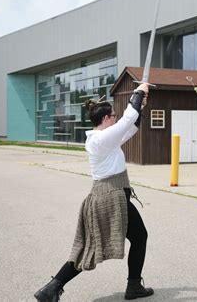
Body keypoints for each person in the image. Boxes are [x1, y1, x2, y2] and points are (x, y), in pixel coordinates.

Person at [34, 83, 154, 301]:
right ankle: (52, 288)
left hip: (113, 196)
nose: (116, 119)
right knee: (91, 247)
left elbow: (132, 126)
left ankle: (133, 285)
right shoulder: (100, 139)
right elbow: (127, 120)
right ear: (106, 118)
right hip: (110, 197)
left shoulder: (107, 138)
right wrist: (138, 92)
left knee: (139, 237)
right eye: (114, 116)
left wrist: (140, 106)